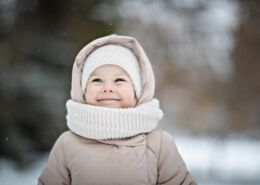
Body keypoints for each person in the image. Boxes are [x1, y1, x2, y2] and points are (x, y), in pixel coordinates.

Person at [38, 34, 197, 185]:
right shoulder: (67, 143)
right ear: (83, 90)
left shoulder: (159, 144)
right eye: (97, 80)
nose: (107, 88)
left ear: (138, 91)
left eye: (119, 80)